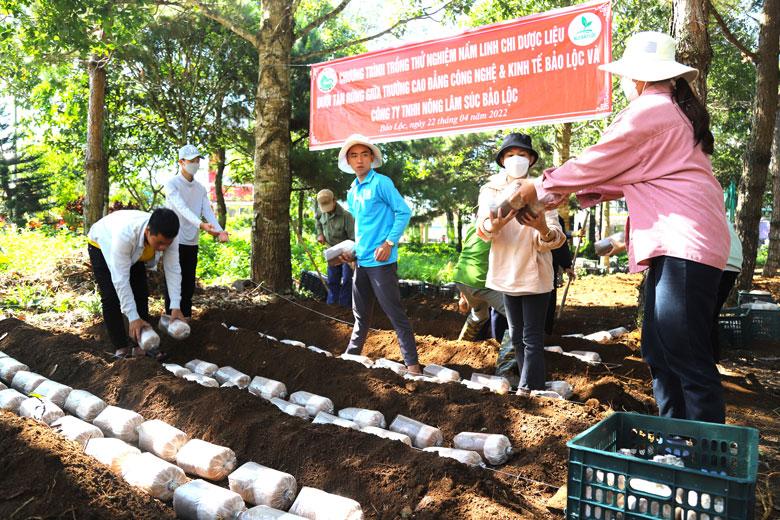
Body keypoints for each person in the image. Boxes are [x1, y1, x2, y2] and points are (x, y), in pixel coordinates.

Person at [513, 31, 729, 423]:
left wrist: (540, 186)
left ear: (639, 78)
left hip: (684, 243)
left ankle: (703, 458)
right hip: (683, 244)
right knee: (658, 350)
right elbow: (631, 175)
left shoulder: (650, 111)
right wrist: (565, 193)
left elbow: (599, 158)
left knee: (683, 352)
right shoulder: (673, 113)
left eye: (625, 77)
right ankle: (676, 440)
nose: (624, 84)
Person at [477, 133, 566, 394]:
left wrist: (541, 228)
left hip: (534, 272)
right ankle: (532, 385)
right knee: (516, 335)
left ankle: (528, 389)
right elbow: (483, 230)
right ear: (502, 160)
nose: (517, 159)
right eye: (510, 155)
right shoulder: (491, 189)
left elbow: (556, 237)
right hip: (507, 272)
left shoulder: (541, 190)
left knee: (532, 336)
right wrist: (496, 222)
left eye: (523, 154)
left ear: (531, 160)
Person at [338, 134, 421, 375]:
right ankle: (351, 357)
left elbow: (403, 212)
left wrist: (389, 243)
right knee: (361, 315)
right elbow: (362, 226)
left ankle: (413, 367)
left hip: (381, 262)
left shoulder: (381, 183)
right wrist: (352, 252)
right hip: (361, 262)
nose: (360, 160)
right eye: (354, 155)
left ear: (372, 158)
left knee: (395, 314)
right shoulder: (352, 191)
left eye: (364, 154)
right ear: (349, 161)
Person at [87, 208, 186, 358]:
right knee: (111, 296)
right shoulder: (125, 236)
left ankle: (143, 344)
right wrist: (133, 317)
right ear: (148, 231)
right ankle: (121, 347)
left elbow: (173, 269)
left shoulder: (169, 236)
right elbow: (120, 279)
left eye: (167, 244)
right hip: (102, 244)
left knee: (140, 292)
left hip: (135, 251)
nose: (163, 248)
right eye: (159, 243)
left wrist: (176, 306)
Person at [164, 144, 228, 319]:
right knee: (174, 280)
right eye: (191, 160)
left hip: (191, 241)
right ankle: (171, 318)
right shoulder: (172, 185)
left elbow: (207, 211)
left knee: (188, 283)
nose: (195, 163)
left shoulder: (200, 188)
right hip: (174, 240)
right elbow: (182, 208)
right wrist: (201, 225)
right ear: (181, 162)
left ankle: (186, 318)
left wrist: (220, 230)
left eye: (197, 160)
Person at [453, 222, 507, 341]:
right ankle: (511, 358)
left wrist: (463, 295)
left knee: (480, 314)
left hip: (460, 276)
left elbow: (469, 253)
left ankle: (460, 345)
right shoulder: (501, 227)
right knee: (516, 316)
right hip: (479, 281)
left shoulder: (473, 227)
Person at [315, 188, 355, 307]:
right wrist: (320, 233)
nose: (326, 210)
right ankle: (332, 305)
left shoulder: (346, 216)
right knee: (333, 279)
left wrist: (348, 254)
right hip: (331, 250)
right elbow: (317, 221)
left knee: (348, 279)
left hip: (346, 253)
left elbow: (353, 239)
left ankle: (344, 307)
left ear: (334, 200)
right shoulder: (320, 210)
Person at [712, 221, 742, 360]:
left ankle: (709, 359)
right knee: (711, 314)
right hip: (732, 262)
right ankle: (712, 357)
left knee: (704, 314)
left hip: (717, 261)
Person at [545, 215, 576, 335]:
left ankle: (545, 334)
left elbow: (560, 242)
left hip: (548, 267)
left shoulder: (555, 218)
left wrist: (567, 264)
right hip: (519, 270)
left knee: (547, 301)